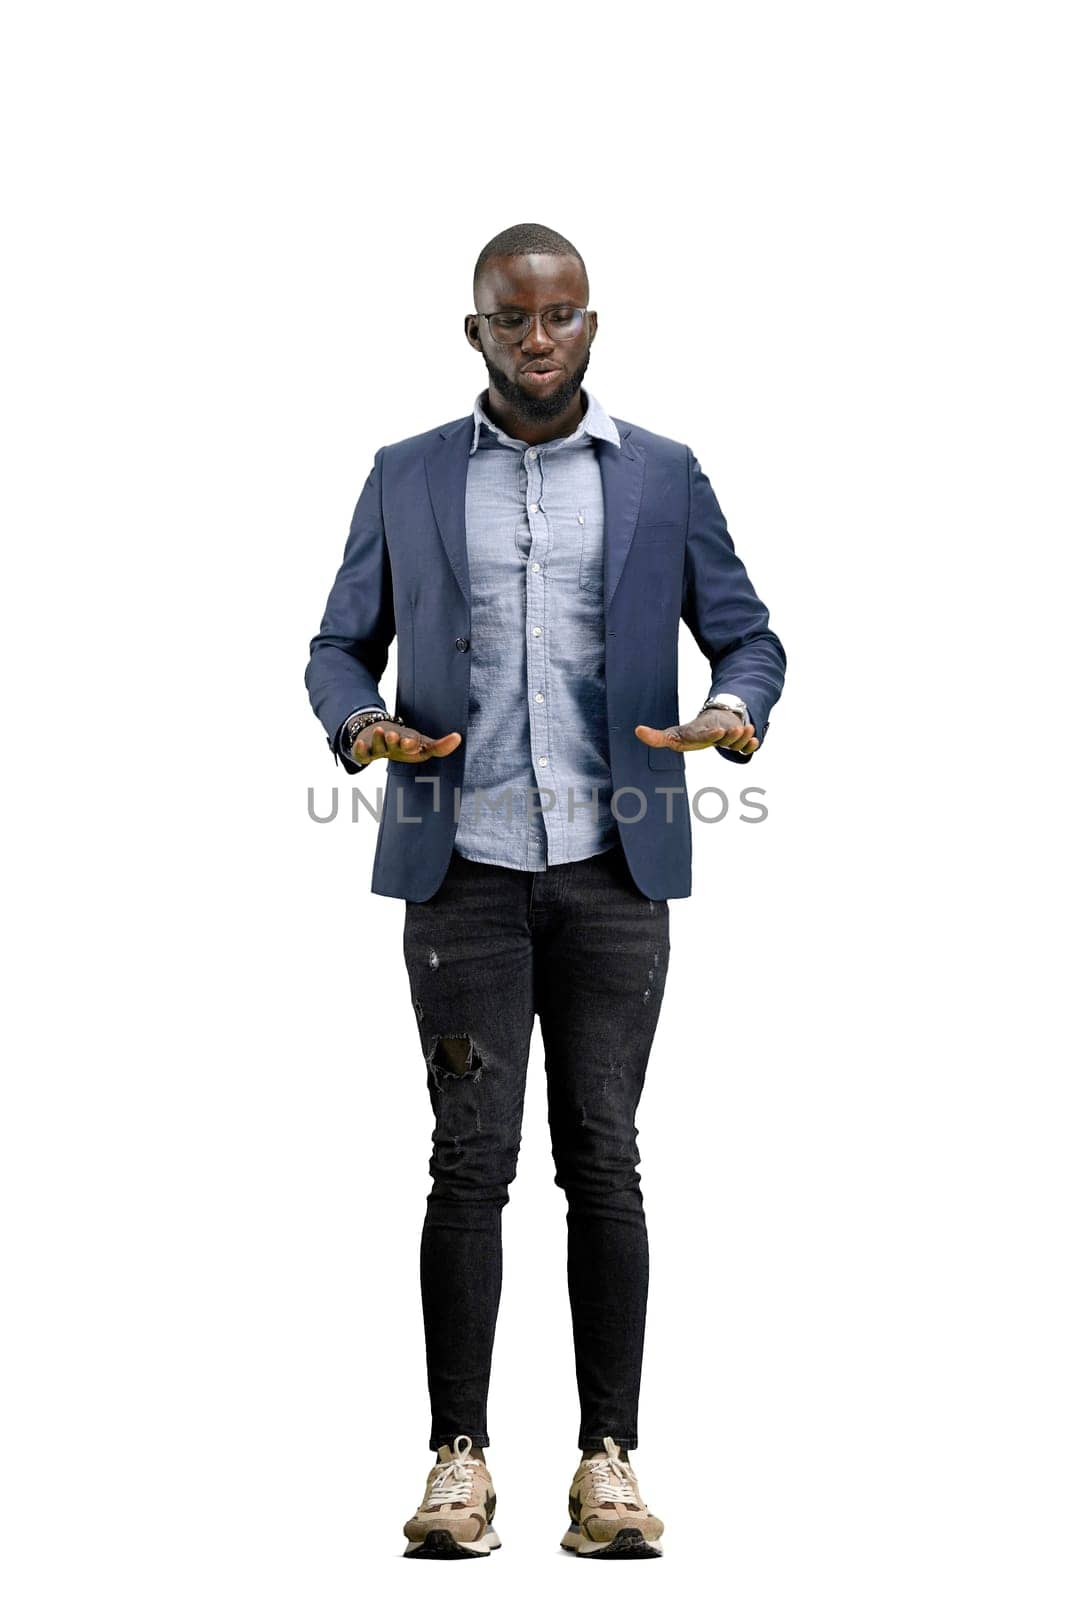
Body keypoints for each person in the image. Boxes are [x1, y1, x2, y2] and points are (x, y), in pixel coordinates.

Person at [305, 222, 786, 1559]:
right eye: (512, 318)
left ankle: (608, 1462)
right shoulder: (404, 478)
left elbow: (747, 632)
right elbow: (339, 648)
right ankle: (458, 1462)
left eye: (561, 315)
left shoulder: (663, 479)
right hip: (458, 878)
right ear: (476, 331)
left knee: (607, 1161)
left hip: (614, 874)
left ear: (591, 326)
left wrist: (734, 710)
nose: (537, 338)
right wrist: (360, 729)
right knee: (469, 1164)